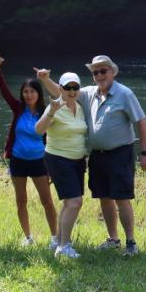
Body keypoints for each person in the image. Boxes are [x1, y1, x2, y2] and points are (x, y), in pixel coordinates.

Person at [45, 55, 146, 257]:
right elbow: (65, 92)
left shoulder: (124, 93)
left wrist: (145, 153)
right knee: (104, 197)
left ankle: (130, 242)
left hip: (120, 153)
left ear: (113, 72)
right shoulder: (88, 93)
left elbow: (142, 122)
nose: (99, 75)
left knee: (122, 198)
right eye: (95, 72)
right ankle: (113, 239)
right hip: (97, 156)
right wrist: (44, 79)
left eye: (103, 71)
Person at [0, 52, 59, 248]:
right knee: (21, 201)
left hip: (40, 161)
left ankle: (55, 238)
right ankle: (28, 237)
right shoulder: (18, 109)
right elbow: (4, 91)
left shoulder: (47, 112)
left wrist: (46, 79)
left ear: (38, 93)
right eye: (25, 92)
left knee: (47, 201)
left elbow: (52, 138)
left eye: (32, 91)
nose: (28, 95)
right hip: (18, 161)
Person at [34, 70, 88, 260]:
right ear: (61, 89)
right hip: (58, 159)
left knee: (69, 202)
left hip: (77, 160)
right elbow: (38, 130)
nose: (71, 91)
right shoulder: (55, 106)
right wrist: (52, 111)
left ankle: (57, 240)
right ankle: (65, 246)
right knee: (75, 202)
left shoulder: (81, 107)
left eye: (75, 87)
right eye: (67, 87)